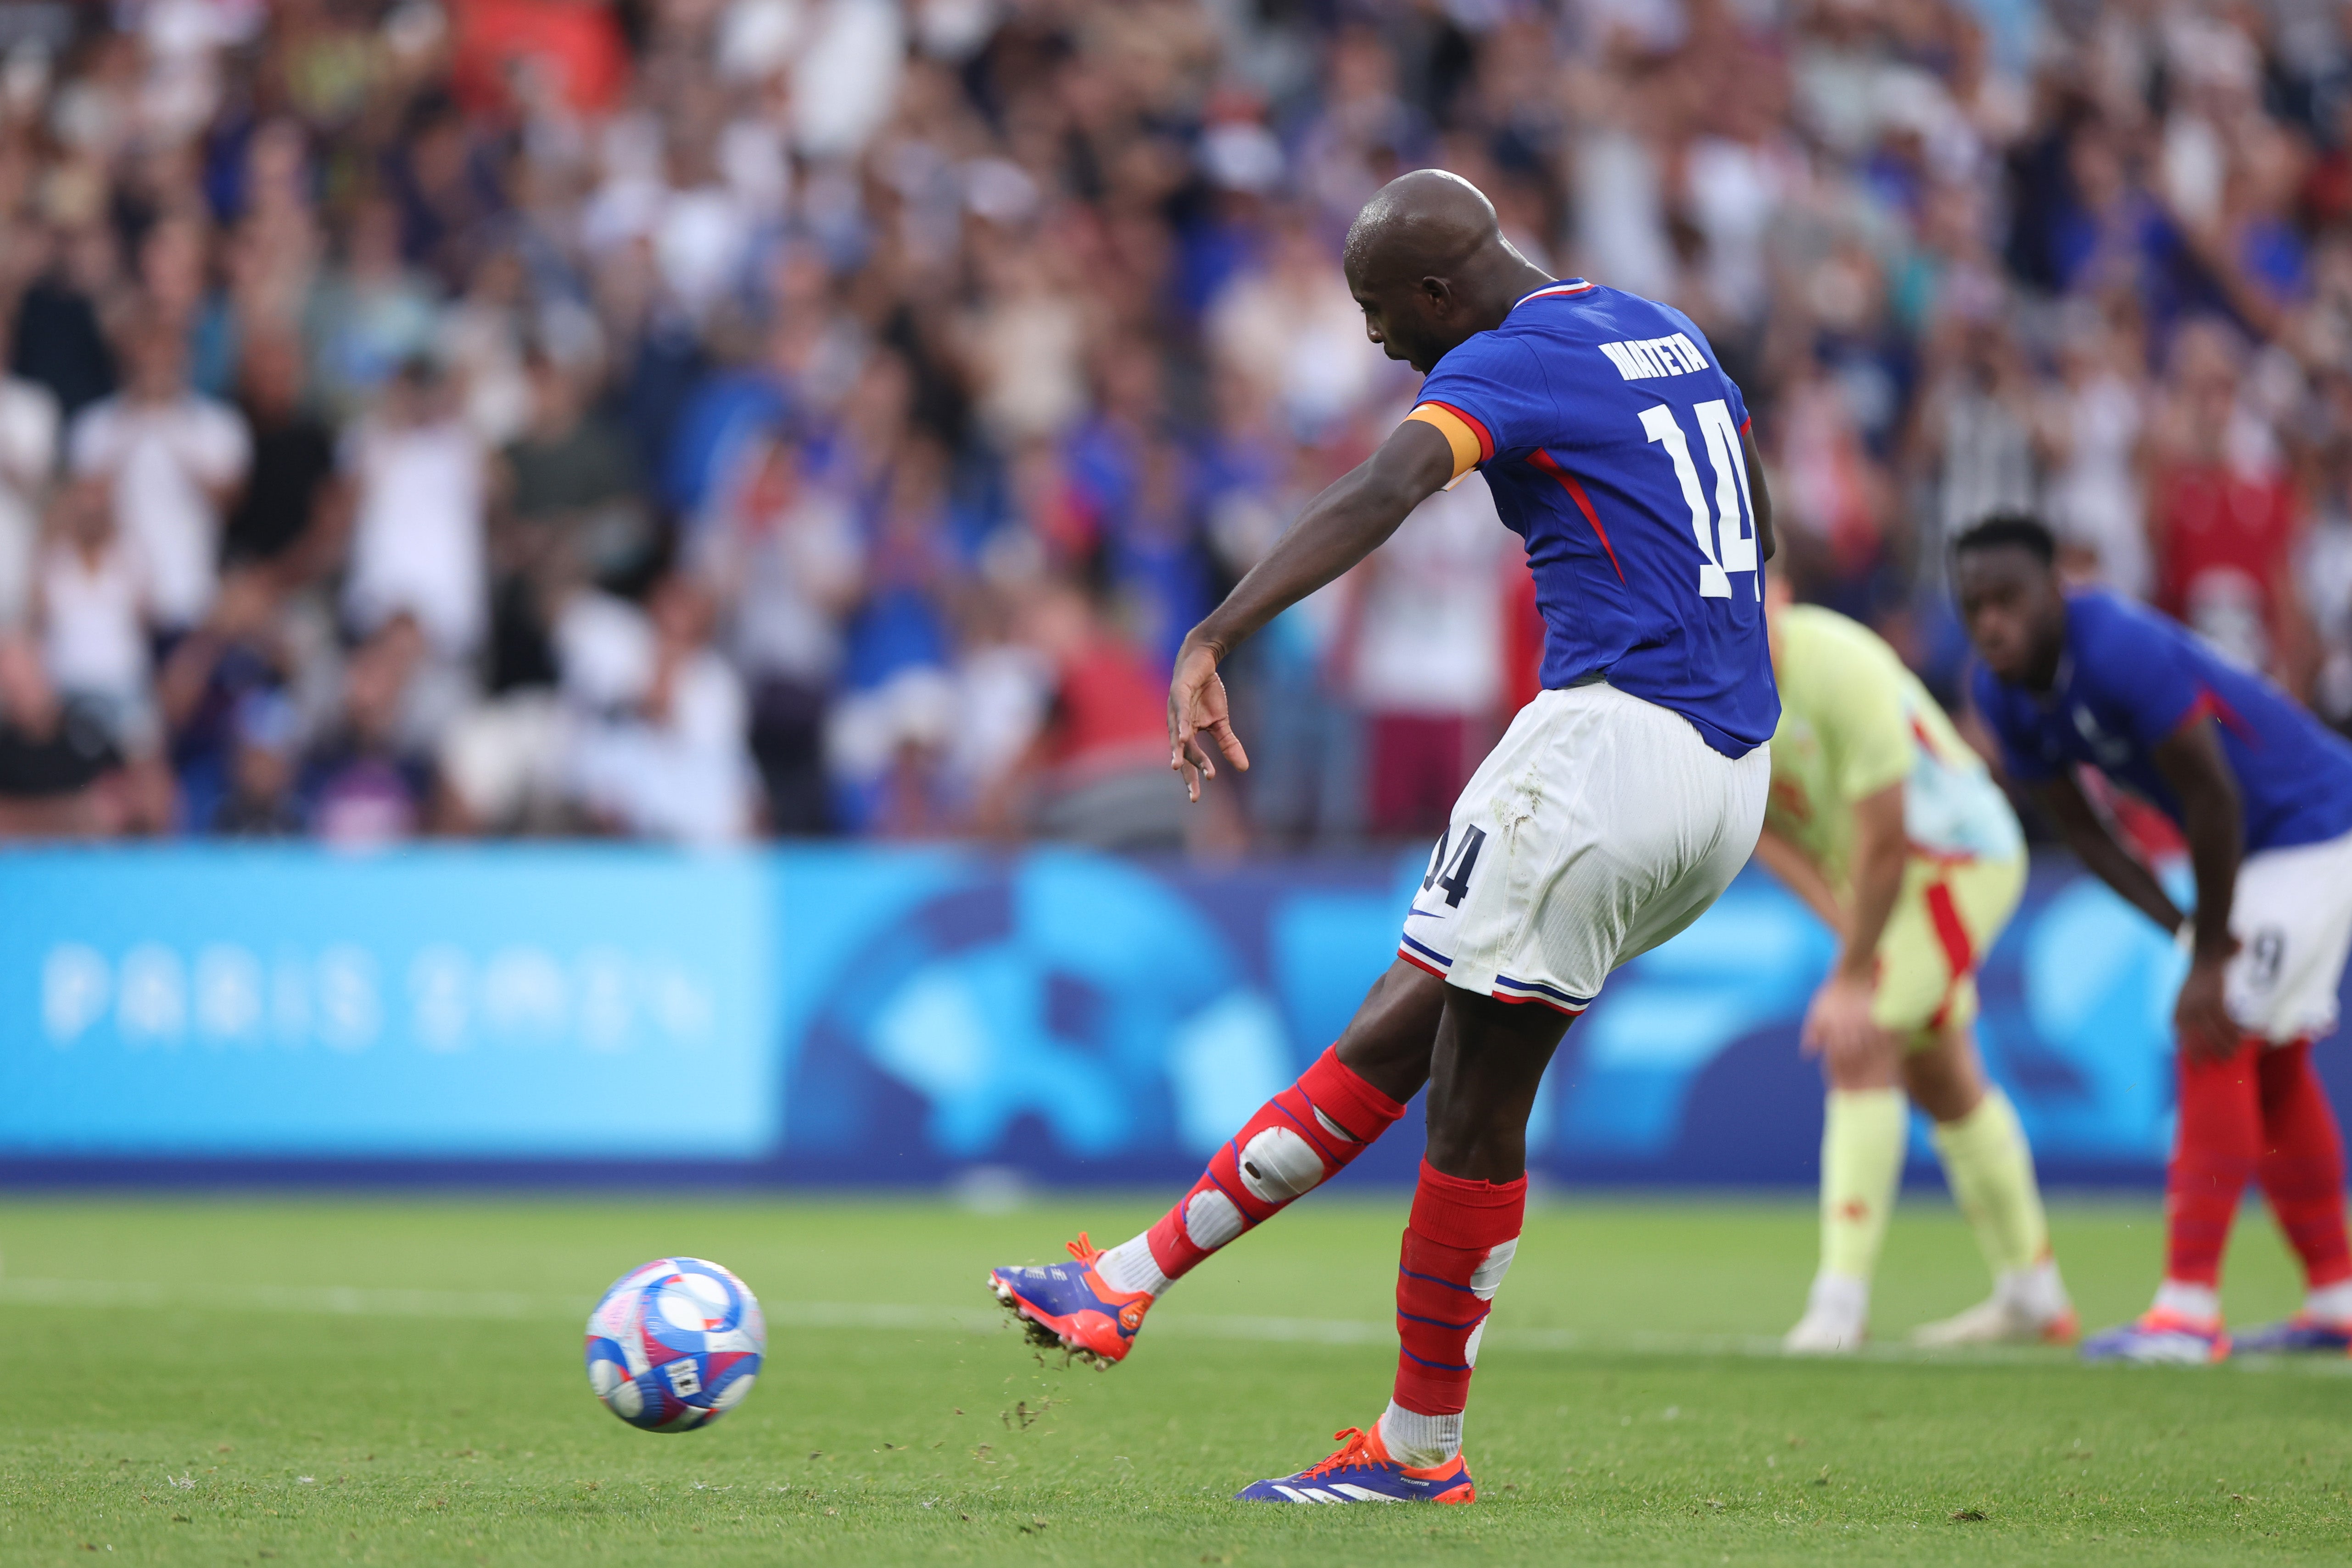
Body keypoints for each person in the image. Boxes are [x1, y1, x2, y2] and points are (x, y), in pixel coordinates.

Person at [988, 169, 1780, 1504]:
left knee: (1470, 1095)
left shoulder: (1513, 357)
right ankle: (1122, 1280)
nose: (1370, 339)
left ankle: (1418, 1452)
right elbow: (1744, 496)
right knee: (1407, 1028)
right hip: (1729, 767)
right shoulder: (1664, 330)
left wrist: (1213, 632)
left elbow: (1384, 486)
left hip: (1606, 747)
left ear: (1434, 290)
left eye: (1375, 310)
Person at [1955, 513, 2352, 1363]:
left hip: (2311, 824)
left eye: (2007, 599)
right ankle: (2335, 1297)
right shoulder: (2000, 691)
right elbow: (2086, 833)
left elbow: (2213, 796)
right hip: (2261, 849)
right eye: (1973, 606)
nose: (1991, 621)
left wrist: (2208, 956)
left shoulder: (2118, 647)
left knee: (2211, 1028)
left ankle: (2186, 1308)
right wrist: (2182, 930)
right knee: (2269, 1062)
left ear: (2055, 590)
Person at [1754, 580, 2073, 1353]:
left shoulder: (1839, 665)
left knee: (1858, 1042)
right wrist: (1851, 938)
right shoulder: (1714, 689)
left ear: (1780, 593)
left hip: (1956, 860)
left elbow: (1890, 839)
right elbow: (1759, 831)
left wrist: (1855, 972)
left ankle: (1839, 1305)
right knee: (1944, 1079)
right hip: (1885, 889)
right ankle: (2033, 1289)